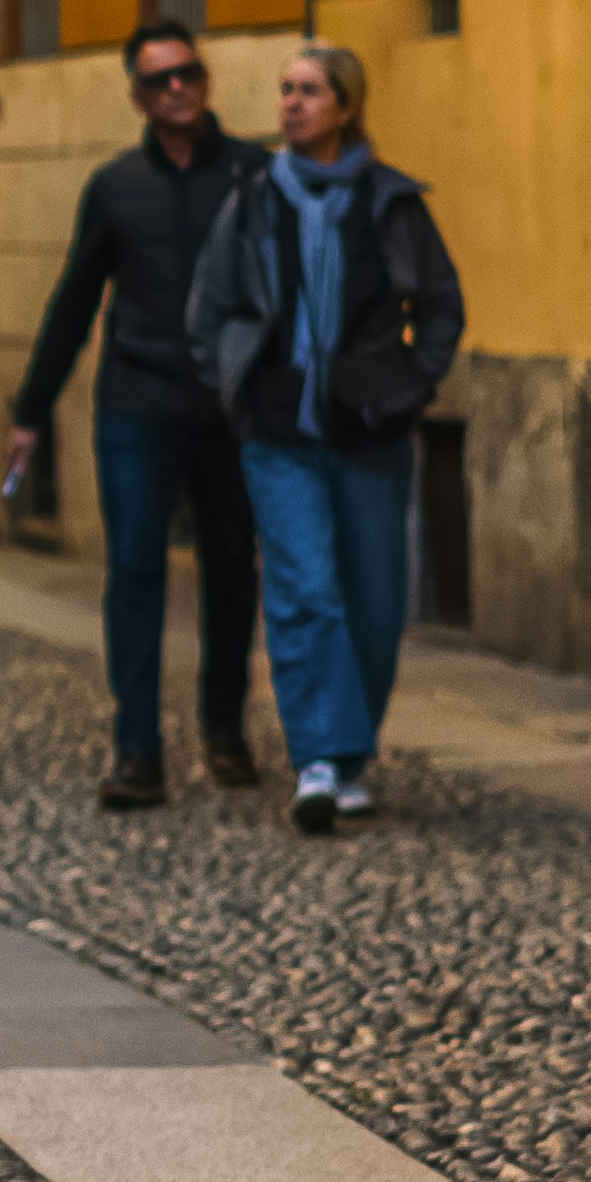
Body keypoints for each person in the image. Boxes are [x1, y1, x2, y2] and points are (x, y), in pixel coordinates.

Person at [185, 42, 466, 834]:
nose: (291, 104)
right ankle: (314, 756)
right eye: (285, 90)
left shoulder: (390, 202)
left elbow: (441, 306)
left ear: (345, 106)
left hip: (369, 430)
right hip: (278, 432)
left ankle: (347, 757)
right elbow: (208, 309)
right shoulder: (253, 200)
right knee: (303, 589)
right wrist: (235, 384)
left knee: (375, 602)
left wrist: (411, 383)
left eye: (309, 91)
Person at [4, 21, 270, 811]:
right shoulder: (115, 187)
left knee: (231, 569)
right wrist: (30, 408)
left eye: (187, 72)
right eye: (159, 79)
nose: (177, 87)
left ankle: (222, 727)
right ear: (137, 97)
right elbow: (74, 299)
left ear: (205, 80)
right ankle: (137, 750)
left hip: (227, 405)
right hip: (137, 401)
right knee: (134, 570)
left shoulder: (253, 175)